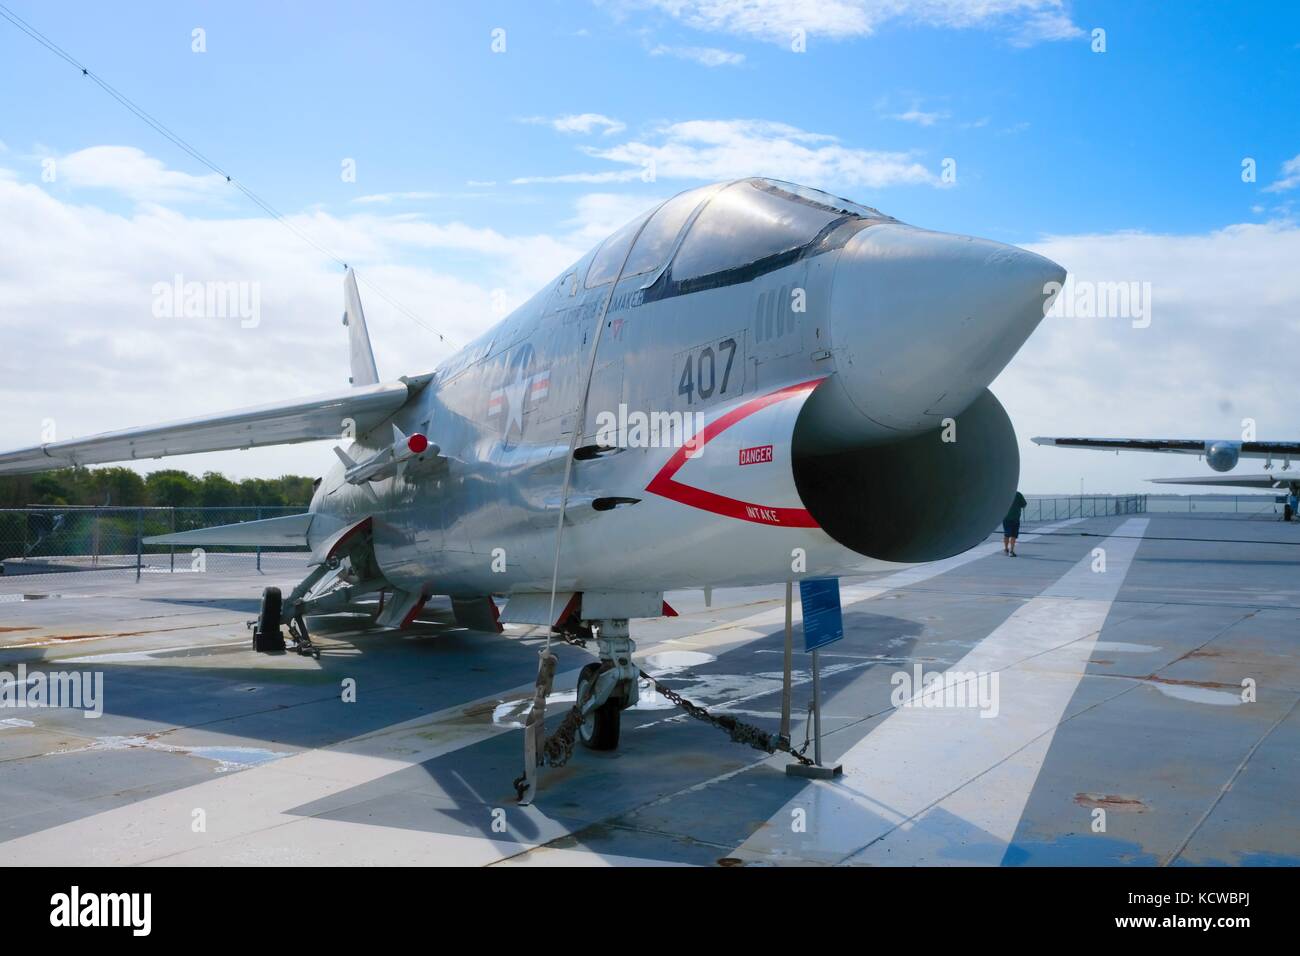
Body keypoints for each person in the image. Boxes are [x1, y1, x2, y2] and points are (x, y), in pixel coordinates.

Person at [1003, 490, 1027, 556]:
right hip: (1015, 518)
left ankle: (1006, 549)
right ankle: (1011, 551)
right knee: (1013, 535)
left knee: (1006, 534)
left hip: (1006, 517)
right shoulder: (1018, 494)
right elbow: (1024, 504)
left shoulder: (1005, 494)